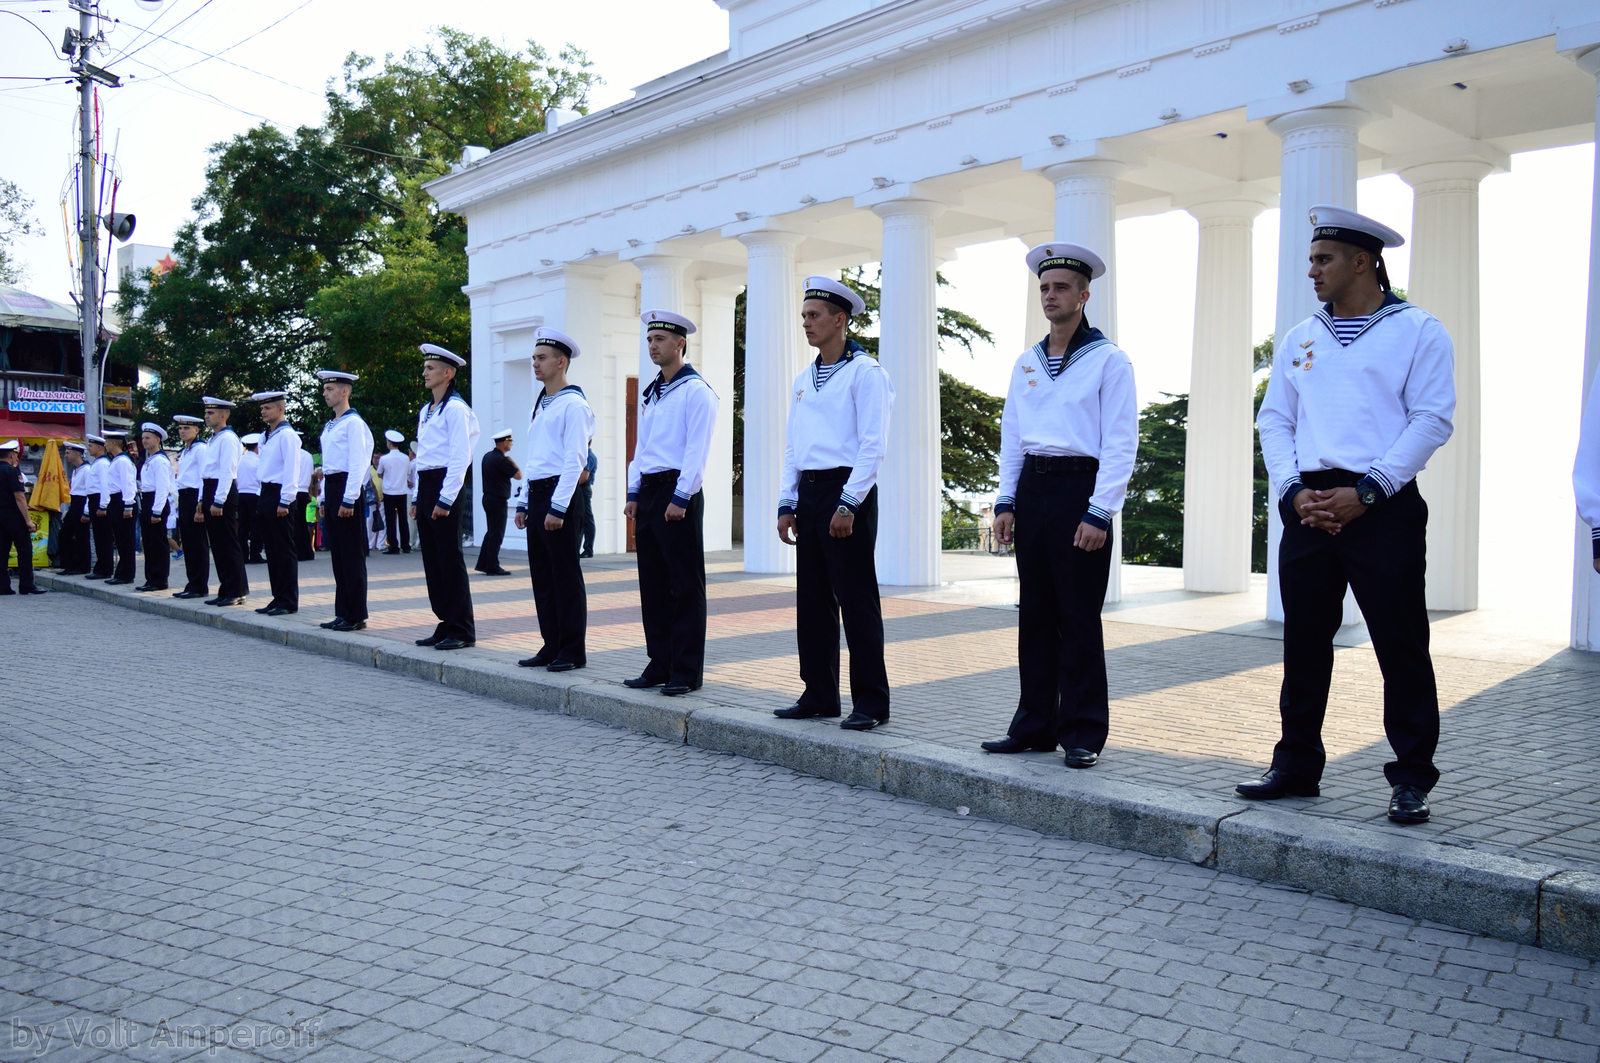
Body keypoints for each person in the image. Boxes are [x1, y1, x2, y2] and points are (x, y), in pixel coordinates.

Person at [1247, 205, 1455, 826]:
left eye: (1323, 259)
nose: (1312, 270)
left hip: (1381, 506)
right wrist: (1291, 493)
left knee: (1400, 643)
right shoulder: (1301, 338)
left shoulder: (1419, 330)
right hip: (1309, 505)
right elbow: (1275, 420)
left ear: (1362, 261)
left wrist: (1367, 492)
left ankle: (1412, 777)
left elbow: (1432, 418)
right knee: (1303, 642)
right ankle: (1296, 765)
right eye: (1312, 259)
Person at [980, 242, 1139, 769]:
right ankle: (1033, 726)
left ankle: (1083, 731)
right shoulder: (1026, 362)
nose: (1050, 295)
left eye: (1061, 287)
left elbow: (1120, 442)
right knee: (1036, 616)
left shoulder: (1109, 360)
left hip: (1080, 490)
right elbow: (1012, 436)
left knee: (1078, 617)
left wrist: (1100, 512)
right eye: (1044, 288)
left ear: (1084, 294)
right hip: (1034, 490)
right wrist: (1006, 500)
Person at [773, 275, 894, 731]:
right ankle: (819, 694)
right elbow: (794, 445)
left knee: (857, 600)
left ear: (840, 319)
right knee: (814, 600)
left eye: (814, 315)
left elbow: (872, 445)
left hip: (849, 491)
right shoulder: (804, 378)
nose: (805, 323)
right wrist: (787, 502)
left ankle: (871, 702)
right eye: (803, 315)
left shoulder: (867, 373)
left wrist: (848, 504)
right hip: (811, 491)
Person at [624, 309, 719, 696]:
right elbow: (641, 447)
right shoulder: (653, 392)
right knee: (653, 584)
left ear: (680, 343)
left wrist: (682, 496)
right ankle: (659, 661)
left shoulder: (696, 391)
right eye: (649, 340)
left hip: (677, 493)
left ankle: (685, 670)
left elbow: (697, 448)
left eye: (660, 339)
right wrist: (633, 493)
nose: (653, 346)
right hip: (649, 491)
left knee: (684, 585)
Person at [513, 328, 594, 671]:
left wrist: (558, 507)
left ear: (561, 362)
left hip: (560, 495)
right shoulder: (543, 403)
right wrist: (523, 501)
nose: (535, 363)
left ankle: (573, 650)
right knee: (542, 577)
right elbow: (534, 459)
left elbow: (574, 460)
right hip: (538, 494)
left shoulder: (574, 405)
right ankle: (552, 644)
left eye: (541, 358)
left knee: (564, 576)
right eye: (533, 358)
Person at [412, 344, 481, 650]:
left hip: (445, 486)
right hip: (427, 484)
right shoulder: (427, 411)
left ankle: (462, 628)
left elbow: (460, 457)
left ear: (448, 373)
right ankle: (445, 621)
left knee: (449, 559)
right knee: (433, 561)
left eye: (430, 368)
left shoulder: (455, 409)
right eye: (425, 367)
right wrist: (417, 497)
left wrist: (446, 499)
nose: (425, 372)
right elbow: (423, 459)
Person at [315, 369, 374, 632]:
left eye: (330, 389)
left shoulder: (354, 423)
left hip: (348, 488)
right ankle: (343, 612)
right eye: (325, 389)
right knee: (338, 556)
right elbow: (329, 467)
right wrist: (325, 499)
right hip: (333, 486)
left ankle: (356, 614)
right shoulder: (331, 425)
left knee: (351, 556)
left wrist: (349, 499)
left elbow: (358, 462)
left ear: (344, 391)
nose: (325, 393)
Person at [251, 390, 302, 616]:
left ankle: (288, 600)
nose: (263, 411)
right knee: (271, 550)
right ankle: (277, 596)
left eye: (268, 407)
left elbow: (292, 469)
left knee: (283, 550)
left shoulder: (287, 435)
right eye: (262, 408)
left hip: (281, 494)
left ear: (280, 409)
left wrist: (285, 500)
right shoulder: (266, 436)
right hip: (266, 493)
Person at [199, 396, 249, 607]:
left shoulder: (228, 438)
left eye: (211, 413)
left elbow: (227, 471)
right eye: (206, 412)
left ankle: (236, 590)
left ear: (223, 415)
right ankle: (226, 588)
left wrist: (219, 501)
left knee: (228, 542)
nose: (206, 416)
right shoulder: (215, 438)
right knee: (218, 544)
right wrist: (204, 498)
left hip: (223, 491)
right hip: (212, 488)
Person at [170, 414, 210, 598]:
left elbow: (204, 477)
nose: (182, 431)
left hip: (195, 497)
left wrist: (201, 503)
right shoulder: (186, 450)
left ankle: (200, 586)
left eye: (187, 428)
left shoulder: (200, 449)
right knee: (188, 543)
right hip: (185, 497)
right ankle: (192, 582)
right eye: (180, 428)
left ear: (197, 430)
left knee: (197, 544)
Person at [0, 440, 45, 595]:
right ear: (12, 456)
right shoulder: (12, 472)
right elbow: (19, 497)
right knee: (24, 550)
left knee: (1, 551)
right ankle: (26, 585)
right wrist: (27, 520)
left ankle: (3, 586)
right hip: (14, 516)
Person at [134, 423, 173, 592]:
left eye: (148, 438)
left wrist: (156, 511)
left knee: (157, 544)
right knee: (149, 543)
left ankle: (159, 579)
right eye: (143, 438)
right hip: (148, 500)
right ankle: (151, 578)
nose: (144, 441)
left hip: (156, 502)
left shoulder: (160, 461)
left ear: (158, 440)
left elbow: (163, 487)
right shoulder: (150, 459)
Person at [475, 428, 520, 576]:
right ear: (504, 443)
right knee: (497, 534)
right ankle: (493, 566)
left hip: (488, 498)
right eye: (510, 441)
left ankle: (484, 564)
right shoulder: (501, 459)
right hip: (498, 500)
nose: (512, 444)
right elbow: (518, 475)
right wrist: (512, 461)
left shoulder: (487, 456)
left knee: (491, 532)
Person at [102, 430, 139, 585]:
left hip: (123, 500)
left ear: (114, 443)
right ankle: (122, 572)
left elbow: (128, 484)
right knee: (121, 539)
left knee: (126, 540)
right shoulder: (116, 460)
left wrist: (128, 506)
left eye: (106, 442)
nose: (105, 445)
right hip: (116, 500)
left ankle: (126, 574)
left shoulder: (123, 461)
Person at [378, 430, 413, 554]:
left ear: (389, 443)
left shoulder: (384, 459)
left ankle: (393, 545)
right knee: (403, 519)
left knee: (390, 519)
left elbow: (379, 473)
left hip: (389, 492)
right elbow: (408, 473)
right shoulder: (405, 458)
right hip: (402, 491)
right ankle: (406, 545)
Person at [59, 442, 91, 575]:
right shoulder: (75, 470)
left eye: (68, 453)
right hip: (75, 502)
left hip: (82, 502)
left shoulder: (87, 470)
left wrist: (87, 511)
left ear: (77, 454)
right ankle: (70, 564)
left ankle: (83, 565)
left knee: (81, 536)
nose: (66, 455)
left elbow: (91, 492)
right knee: (65, 534)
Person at [84, 436, 112, 580]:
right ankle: (101, 567)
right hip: (94, 499)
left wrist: (103, 506)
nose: (88, 448)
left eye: (91, 446)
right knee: (99, 536)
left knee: (103, 536)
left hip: (99, 500)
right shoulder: (97, 463)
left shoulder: (102, 464)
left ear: (99, 448)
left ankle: (105, 569)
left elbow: (105, 486)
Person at [237, 433, 263, 564]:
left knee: (243, 526)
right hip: (255, 495)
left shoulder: (239, 460)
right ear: (257, 446)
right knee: (256, 526)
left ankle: (242, 554)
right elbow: (261, 480)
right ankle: (255, 554)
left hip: (240, 494)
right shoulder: (258, 462)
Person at [293, 446, 315, 561]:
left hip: (293, 491)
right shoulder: (308, 455)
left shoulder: (292, 453)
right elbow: (312, 476)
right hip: (304, 491)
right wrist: (310, 491)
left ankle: (299, 552)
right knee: (303, 522)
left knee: (295, 523)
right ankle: (308, 552)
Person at [578, 447, 598, 558]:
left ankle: (588, 549)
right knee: (580, 518)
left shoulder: (589, 456)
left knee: (587, 519)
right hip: (581, 488)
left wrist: (572, 486)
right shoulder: (584, 455)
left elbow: (584, 477)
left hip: (583, 489)